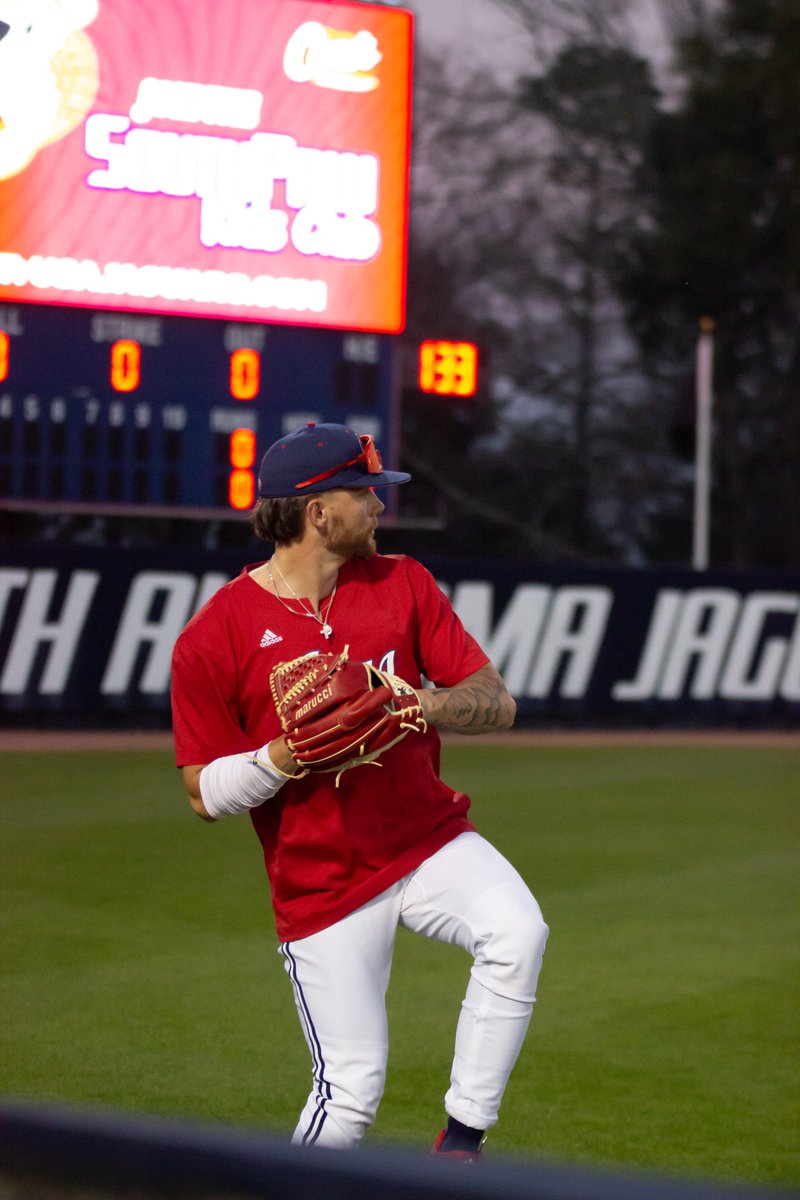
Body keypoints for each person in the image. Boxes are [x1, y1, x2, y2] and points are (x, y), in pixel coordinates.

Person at [171, 422, 548, 1159]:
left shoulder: (401, 581)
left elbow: (496, 701)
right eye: (366, 492)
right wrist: (282, 757)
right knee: (349, 1098)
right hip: (324, 879)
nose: (380, 506)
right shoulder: (215, 636)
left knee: (518, 933)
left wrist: (423, 702)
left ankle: (461, 1147)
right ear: (317, 511)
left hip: (426, 836)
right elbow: (202, 794)